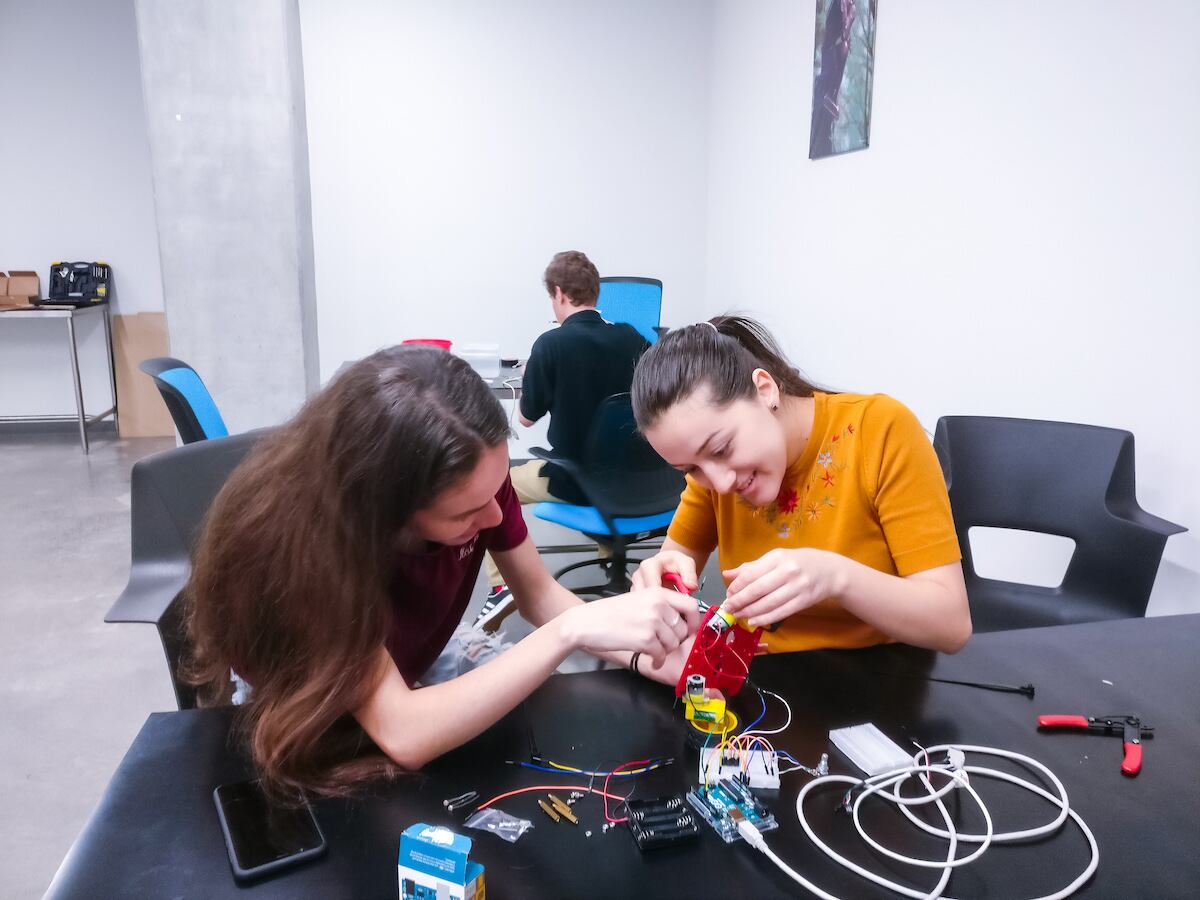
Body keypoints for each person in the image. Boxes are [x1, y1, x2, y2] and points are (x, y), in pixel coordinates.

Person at [185, 345, 698, 799]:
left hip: (414, 663)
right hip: (316, 701)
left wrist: (653, 656)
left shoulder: (476, 481)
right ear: (384, 510)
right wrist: (572, 631)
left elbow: (539, 596)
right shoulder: (307, 552)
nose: (495, 517)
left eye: (497, 490)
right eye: (465, 515)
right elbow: (402, 731)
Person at [630, 316, 971, 656]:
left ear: (765, 390)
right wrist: (657, 590)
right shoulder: (713, 473)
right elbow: (666, 584)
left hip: (883, 674)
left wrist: (834, 576)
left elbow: (950, 624)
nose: (720, 483)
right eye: (690, 469)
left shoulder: (879, 431)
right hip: (760, 676)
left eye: (722, 449)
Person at [477, 250, 649, 630]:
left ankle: (501, 586)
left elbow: (526, 417)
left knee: (493, 488)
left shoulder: (550, 345)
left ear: (558, 293)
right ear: (595, 292)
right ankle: (612, 563)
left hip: (577, 482)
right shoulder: (632, 338)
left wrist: (537, 372)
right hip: (637, 483)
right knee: (608, 459)